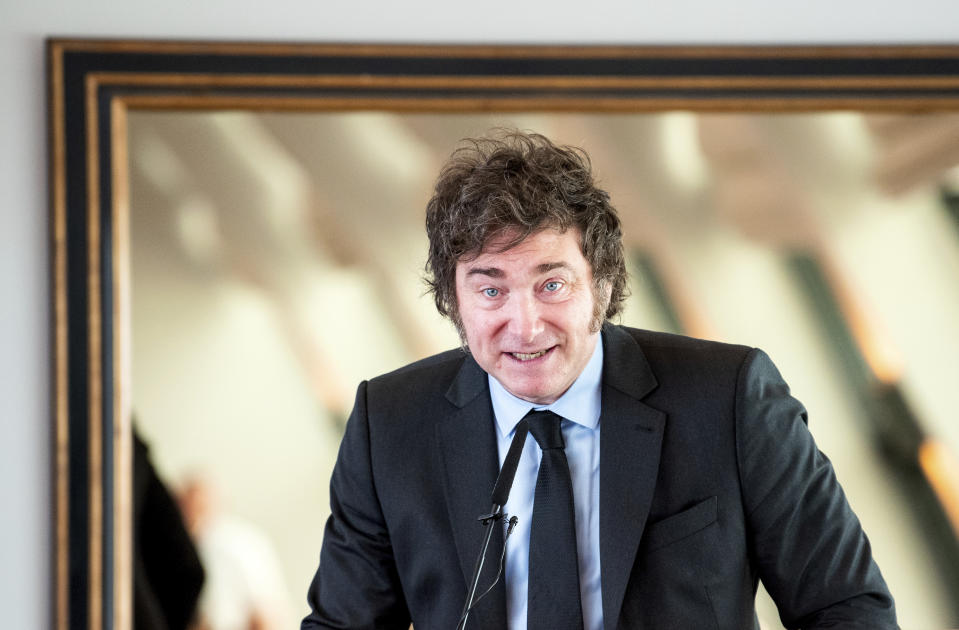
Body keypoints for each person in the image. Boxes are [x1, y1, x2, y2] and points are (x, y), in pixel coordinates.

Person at [302, 131, 897, 629]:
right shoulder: (390, 424)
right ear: (454, 304)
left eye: (551, 283)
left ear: (603, 287)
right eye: (490, 290)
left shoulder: (729, 397)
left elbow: (845, 608)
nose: (524, 323)